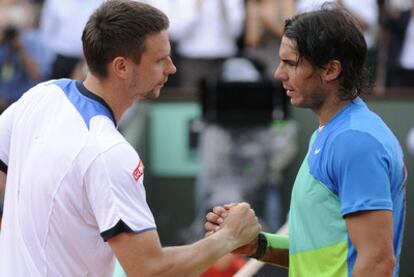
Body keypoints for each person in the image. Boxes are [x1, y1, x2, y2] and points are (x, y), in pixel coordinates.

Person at [0, 1, 261, 276]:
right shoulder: (108, 152)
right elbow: (149, 270)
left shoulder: (41, 96)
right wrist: (229, 237)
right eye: (160, 60)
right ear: (122, 67)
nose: (171, 68)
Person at [206, 4, 407, 277]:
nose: (279, 73)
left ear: (330, 70)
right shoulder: (333, 133)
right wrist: (256, 245)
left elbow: (377, 262)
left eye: (291, 63)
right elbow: (316, 253)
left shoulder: (355, 141)